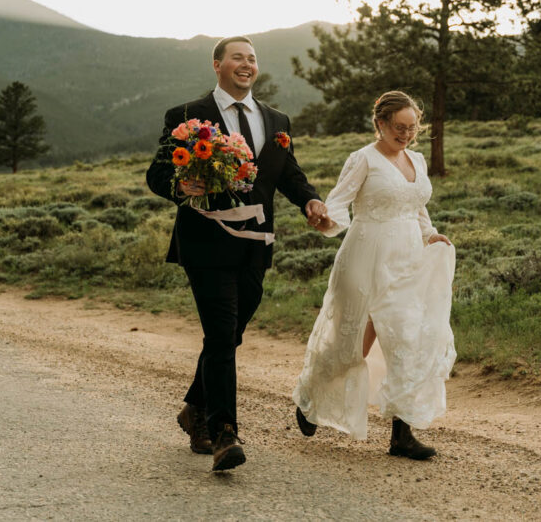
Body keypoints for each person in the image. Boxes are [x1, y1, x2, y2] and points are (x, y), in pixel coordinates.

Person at [146, 36, 329, 471]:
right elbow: (158, 172)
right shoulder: (188, 116)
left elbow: (289, 175)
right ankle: (223, 432)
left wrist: (310, 201)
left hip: (256, 246)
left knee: (229, 335)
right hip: (205, 243)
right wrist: (180, 186)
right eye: (237, 58)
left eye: (252, 58)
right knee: (222, 332)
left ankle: (194, 407)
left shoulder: (277, 119)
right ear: (218, 65)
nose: (246, 65)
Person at [292, 90, 456, 460]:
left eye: (413, 127)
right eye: (399, 127)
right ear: (380, 123)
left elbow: (416, 207)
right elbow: (338, 202)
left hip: (408, 260)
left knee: (407, 340)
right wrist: (324, 218)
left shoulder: (416, 159)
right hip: (366, 256)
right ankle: (310, 396)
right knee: (351, 344)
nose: (407, 134)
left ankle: (402, 434)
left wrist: (431, 235)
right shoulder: (363, 159)